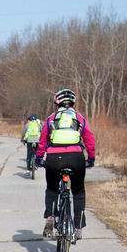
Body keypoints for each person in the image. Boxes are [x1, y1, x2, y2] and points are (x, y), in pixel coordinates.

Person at [35, 88, 96, 240]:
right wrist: (91, 158)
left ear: (57, 103)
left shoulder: (51, 119)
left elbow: (42, 141)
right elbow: (89, 139)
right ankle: (78, 226)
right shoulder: (79, 118)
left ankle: (50, 217)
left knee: (52, 189)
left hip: (54, 159)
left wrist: (39, 158)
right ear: (73, 103)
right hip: (76, 158)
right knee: (78, 192)